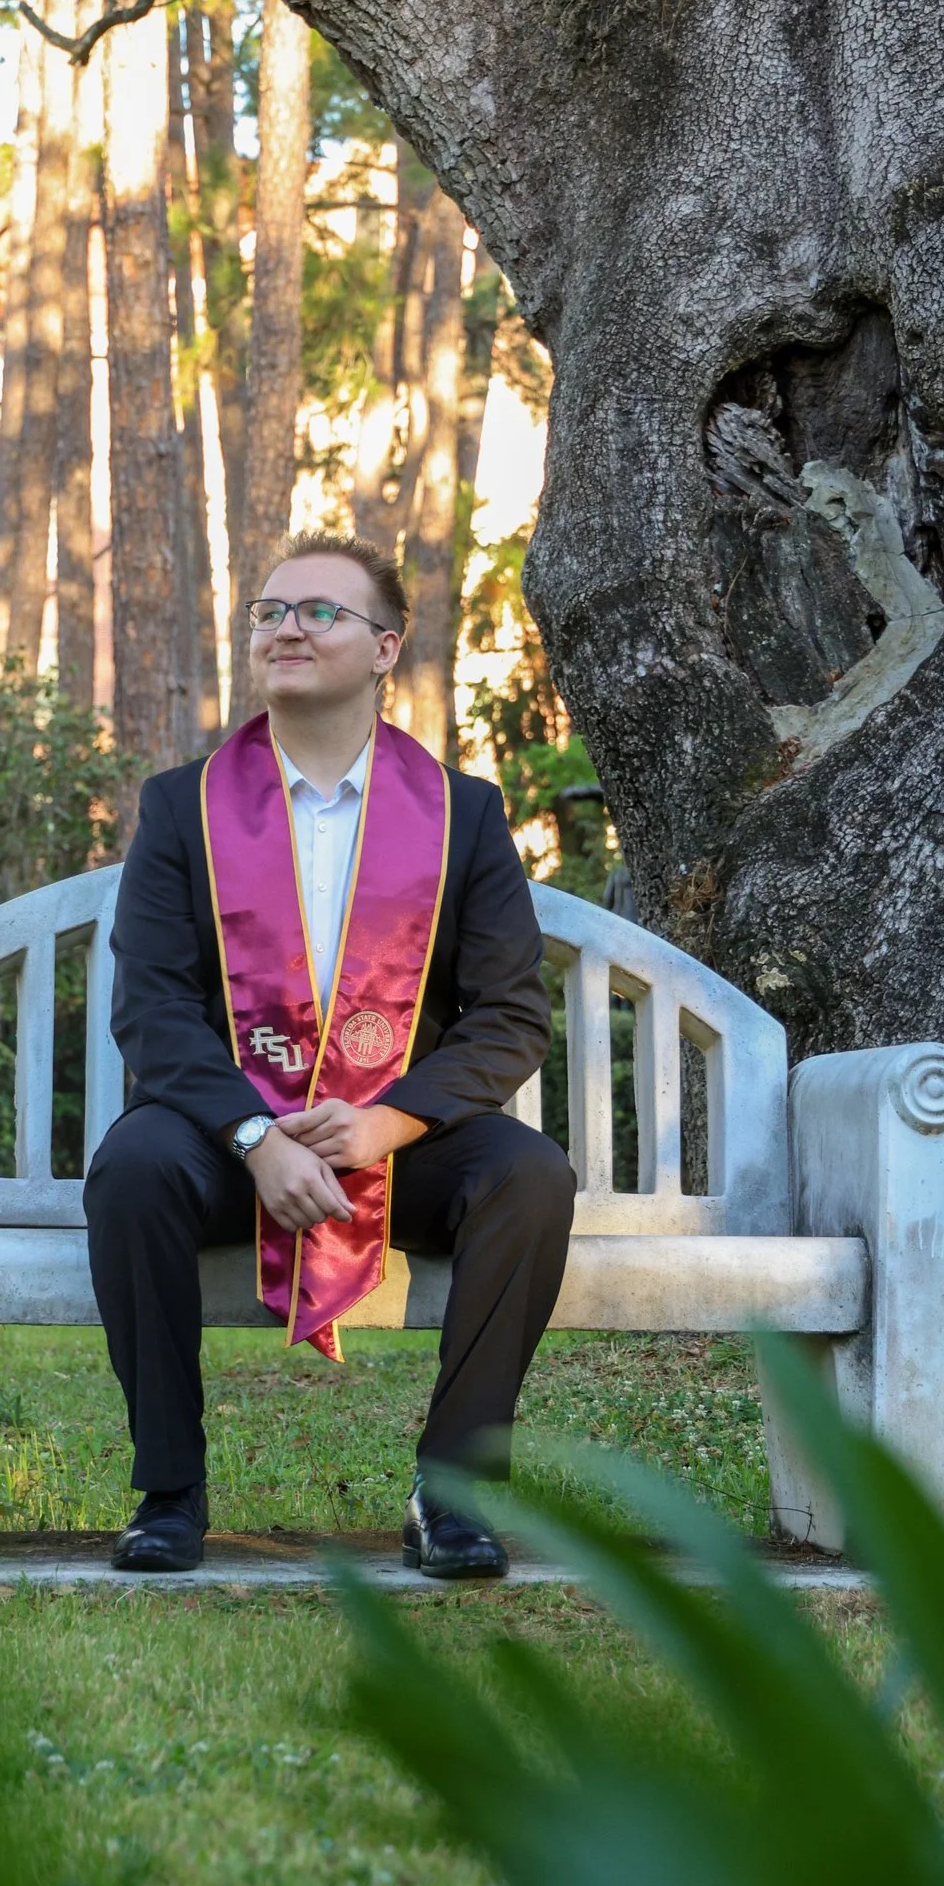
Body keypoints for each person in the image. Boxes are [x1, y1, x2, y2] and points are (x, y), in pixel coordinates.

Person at [85, 534, 572, 1576]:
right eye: (269, 611)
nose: (285, 628)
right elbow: (153, 1007)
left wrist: (384, 1120)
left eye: (318, 611)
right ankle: (170, 1492)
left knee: (528, 1175)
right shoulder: (185, 808)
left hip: (395, 1142)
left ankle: (452, 1497)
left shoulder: (462, 816)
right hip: (228, 1141)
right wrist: (255, 1133)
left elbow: (508, 1016)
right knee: (132, 1167)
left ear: (386, 647)